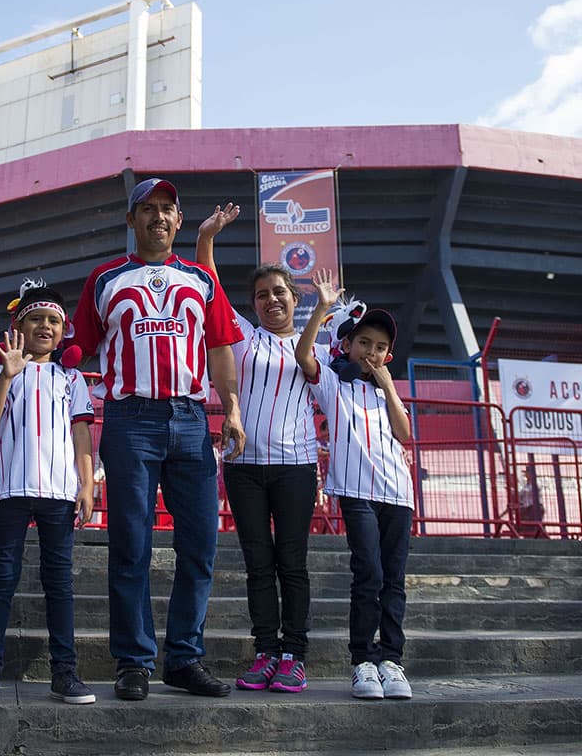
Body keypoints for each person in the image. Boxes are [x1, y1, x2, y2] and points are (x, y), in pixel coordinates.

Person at [68, 177, 246, 701]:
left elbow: (219, 348)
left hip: (191, 421)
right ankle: (134, 661)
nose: (159, 218)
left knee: (201, 546)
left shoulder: (200, 279)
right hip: (130, 421)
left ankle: (185, 659)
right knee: (131, 545)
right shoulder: (105, 279)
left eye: (168, 209)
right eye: (148, 209)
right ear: (132, 220)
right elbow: (79, 347)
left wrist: (231, 408)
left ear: (178, 220)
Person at [195, 214, 329, 693]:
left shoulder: (318, 348)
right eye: (262, 294)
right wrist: (206, 238)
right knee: (258, 563)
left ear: (296, 298)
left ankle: (295, 655)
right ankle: (266, 653)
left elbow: (314, 372)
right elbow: (208, 285)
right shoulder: (243, 336)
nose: (271, 300)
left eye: (279, 292)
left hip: (295, 469)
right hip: (243, 468)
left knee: (291, 562)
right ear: (253, 305)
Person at [0, 280, 97, 705]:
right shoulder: (2, 371)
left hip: (58, 492)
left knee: (59, 584)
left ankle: (65, 673)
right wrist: (7, 377)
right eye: (36, 318)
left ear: (64, 329)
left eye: (54, 320)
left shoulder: (71, 378)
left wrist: (87, 485)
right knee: (2, 580)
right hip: (11, 491)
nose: (45, 326)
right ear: (18, 324)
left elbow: (82, 435)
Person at [296, 269, 414, 701]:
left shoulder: (384, 388)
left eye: (381, 347)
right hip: (357, 492)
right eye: (364, 343)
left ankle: (392, 661)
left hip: (398, 494)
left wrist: (388, 387)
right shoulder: (332, 382)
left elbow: (403, 433)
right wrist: (323, 308)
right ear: (346, 344)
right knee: (369, 574)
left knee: (394, 579)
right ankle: (363, 660)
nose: (372, 352)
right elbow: (304, 356)